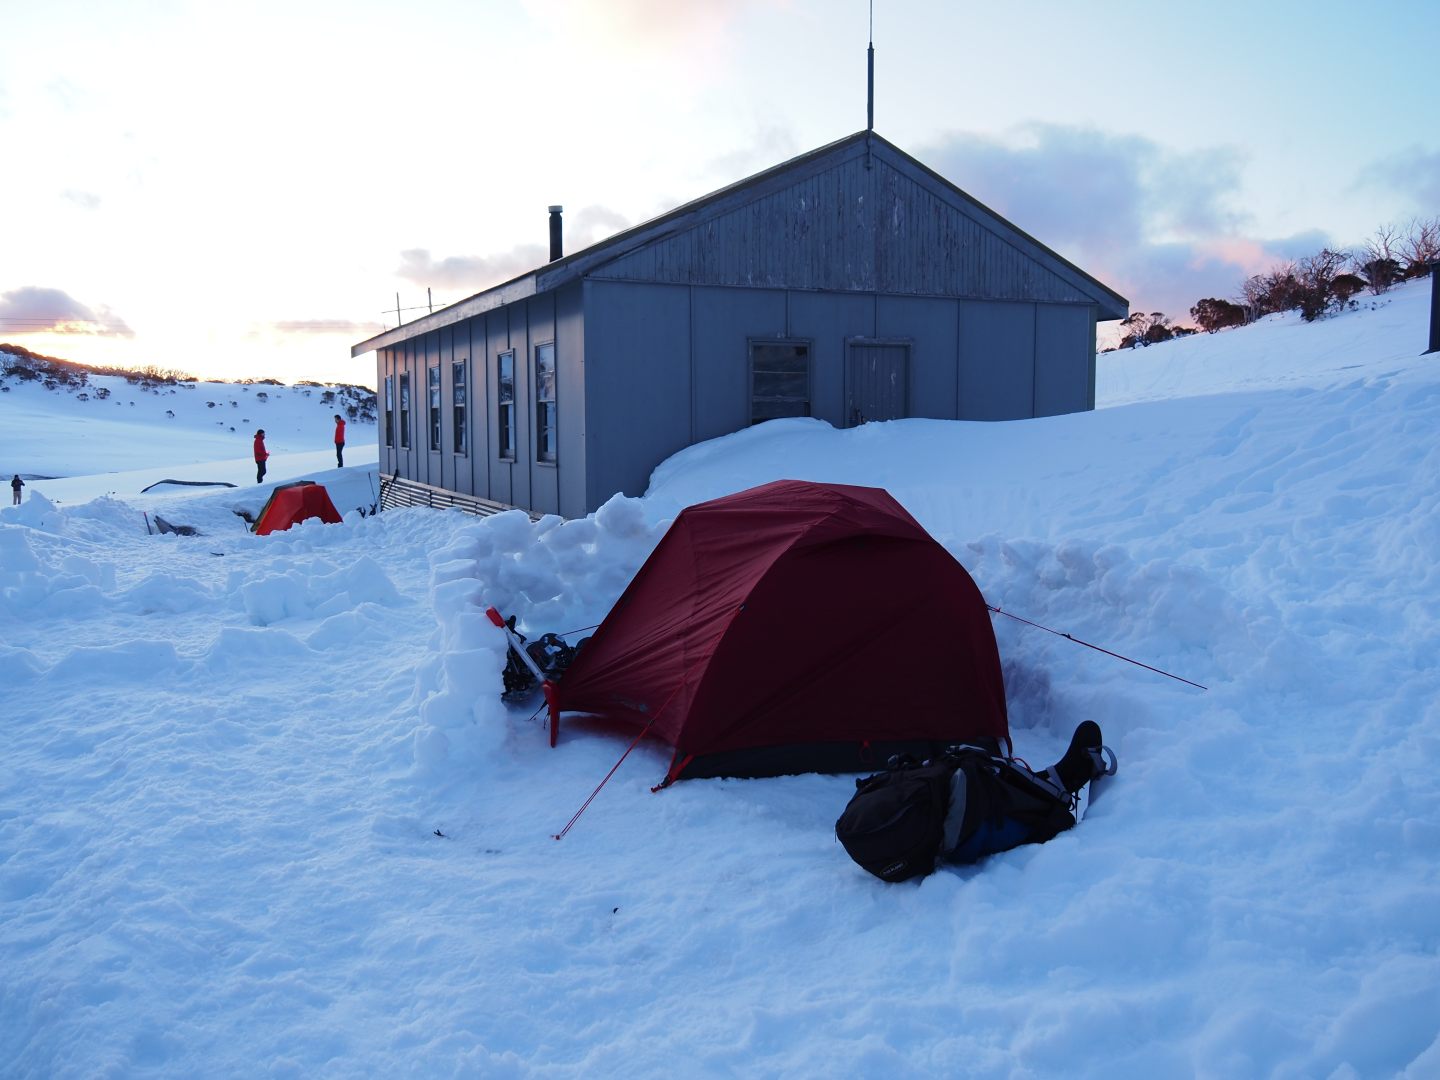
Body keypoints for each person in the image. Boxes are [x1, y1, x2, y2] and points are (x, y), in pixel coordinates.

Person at [836, 721, 1117, 881]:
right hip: (960, 833)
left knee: (969, 782)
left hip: (930, 811)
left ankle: (1045, 785)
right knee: (983, 802)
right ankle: (1056, 796)